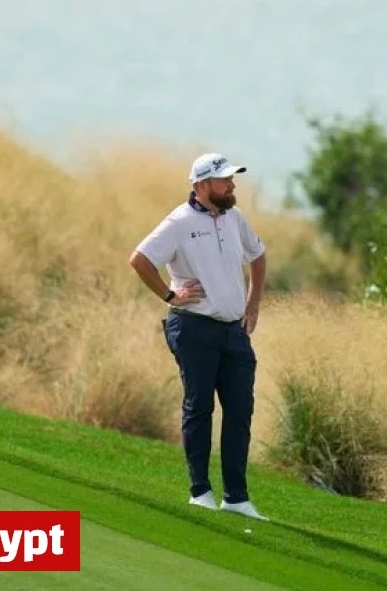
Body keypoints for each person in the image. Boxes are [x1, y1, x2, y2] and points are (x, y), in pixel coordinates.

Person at [129, 152, 269, 521]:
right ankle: (200, 491)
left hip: (234, 330)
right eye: (225, 180)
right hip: (193, 327)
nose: (232, 185)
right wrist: (169, 295)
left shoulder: (235, 217)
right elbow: (140, 259)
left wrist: (253, 304)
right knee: (200, 407)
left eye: (232, 179)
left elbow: (258, 255)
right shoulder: (179, 222)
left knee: (239, 410)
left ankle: (236, 498)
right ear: (203, 185)